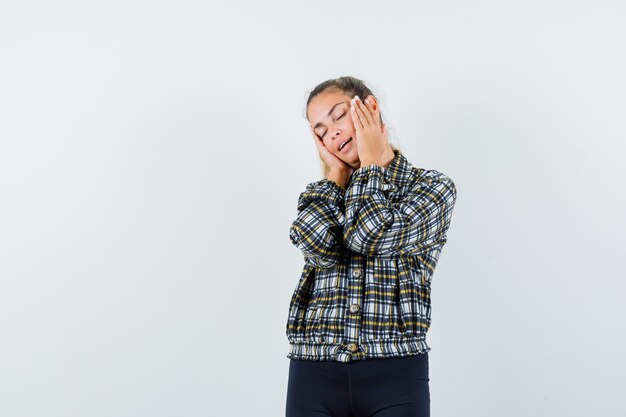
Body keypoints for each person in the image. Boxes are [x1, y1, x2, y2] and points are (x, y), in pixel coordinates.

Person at [285, 76, 457, 417]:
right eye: (319, 131)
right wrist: (334, 174)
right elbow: (316, 247)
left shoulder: (431, 188)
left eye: (338, 116)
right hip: (314, 369)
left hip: (395, 372)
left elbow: (369, 236)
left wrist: (371, 166)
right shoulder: (321, 195)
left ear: (370, 107)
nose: (331, 133)